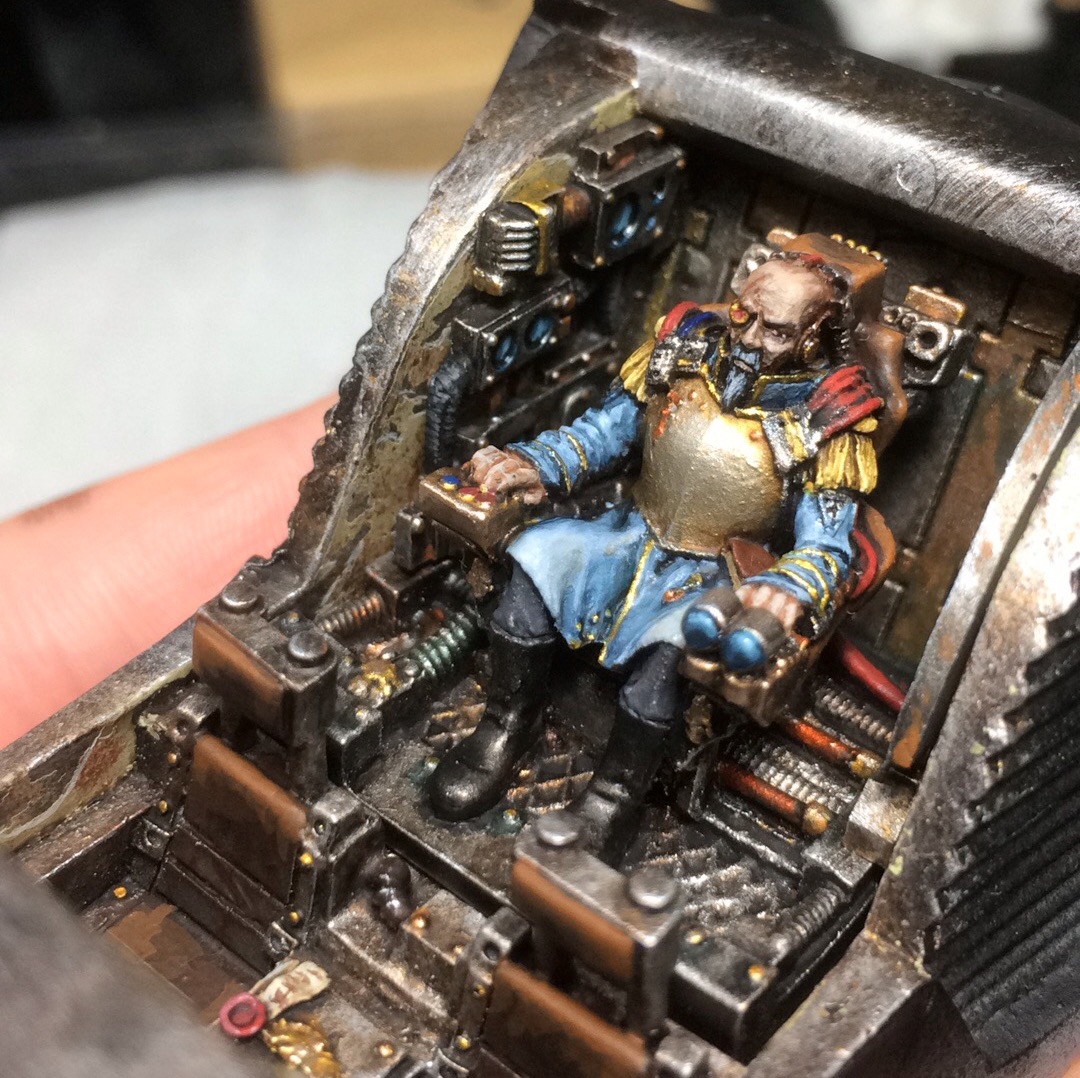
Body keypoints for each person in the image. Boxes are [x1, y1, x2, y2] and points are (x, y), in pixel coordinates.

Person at [429, 235, 894, 862]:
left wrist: (787, 587)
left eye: (776, 331)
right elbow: (605, 434)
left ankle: (614, 796)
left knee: (665, 668)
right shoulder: (681, 353)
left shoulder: (829, 421)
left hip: (715, 575)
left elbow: (828, 544)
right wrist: (538, 463)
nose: (750, 338)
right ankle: (506, 725)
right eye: (745, 314)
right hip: (628, 532)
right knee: (533, 571)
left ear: (812, 338)